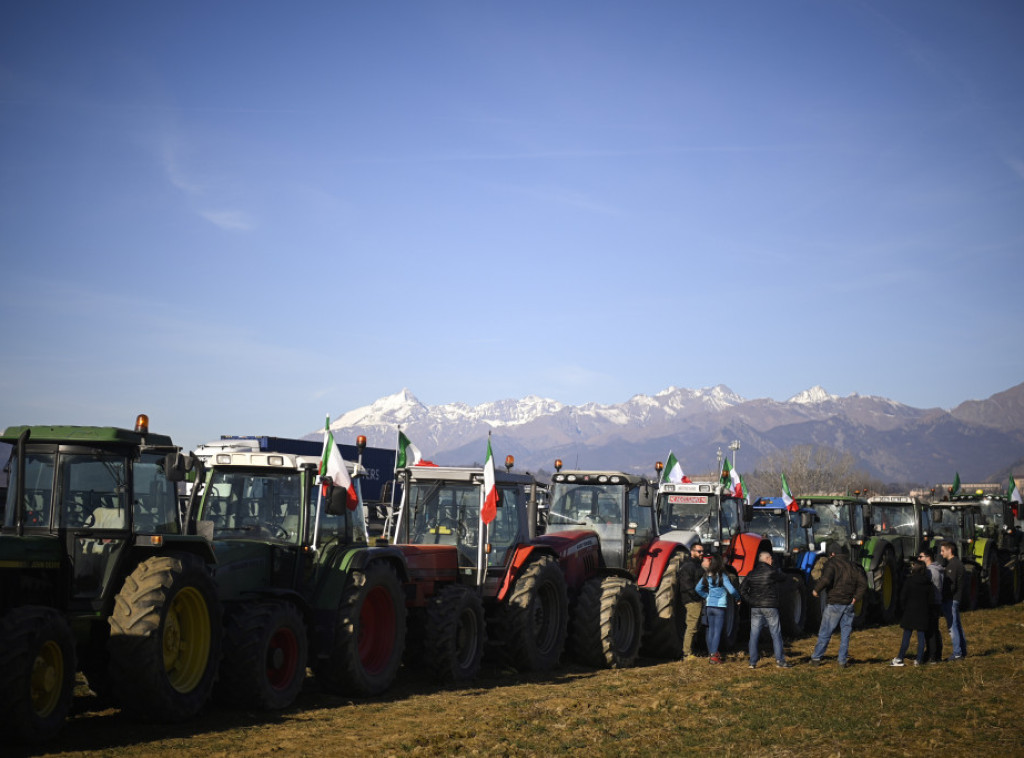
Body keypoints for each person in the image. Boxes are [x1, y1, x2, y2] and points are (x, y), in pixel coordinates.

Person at [810, 541, 867, 668]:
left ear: (832, 554)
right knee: (845, 634)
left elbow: (825, 579)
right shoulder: (853, 565)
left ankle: (816, 658)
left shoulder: (832, 563)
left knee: (825, 631)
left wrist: (816, 590)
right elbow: (863, 583)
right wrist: (856, 598)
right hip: (849, 603)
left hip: (835, 603)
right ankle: (842, 660)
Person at [739, 550, 792, 668]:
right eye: (771, 558)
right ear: (767, 559)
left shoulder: (751, 573)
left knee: (754, 634)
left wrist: (751, 601)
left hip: (755, 607)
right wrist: (777, 568)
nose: (772, 560)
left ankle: (752, 662)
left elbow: (742, 590)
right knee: (775, 633)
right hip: (770, 606)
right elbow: (784, 577)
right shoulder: (772, 572)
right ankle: (780, 660)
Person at [695, 553, 740, 664]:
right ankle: (714, 656)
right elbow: (732, 590)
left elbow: (697, 588)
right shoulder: (722, 575)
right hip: (720, 607)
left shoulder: (707, 575)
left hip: (709, 605)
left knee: (710, 630)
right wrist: (737, 598)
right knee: (717, 631)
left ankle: (711, 653)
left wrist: (707, 596)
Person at [890, 560, 931, 666]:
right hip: (923, 613)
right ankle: (919, 659)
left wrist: (904, 608)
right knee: (921, 637)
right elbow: (930, 599)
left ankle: (900, 657)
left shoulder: (909, 581)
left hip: (910, 612)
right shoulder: (928, 583)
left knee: (906, 636)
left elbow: (903, 597)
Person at [939, 541, 968, 660]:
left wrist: (942, 596)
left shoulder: (953, 565)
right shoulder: (957, 563)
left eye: (942, 551)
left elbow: (951, 586)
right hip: (955, 599)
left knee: (952, 627)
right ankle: (962, 650)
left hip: (951, 599)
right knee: (957, 625)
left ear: (949, 550)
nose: (941, 553)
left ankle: (957, 653)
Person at [679, 542, 706, 661]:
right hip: (692, 600)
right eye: (699, 551)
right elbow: (687, 585)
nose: (701, 554)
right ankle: (687, 653)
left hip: (696, 599)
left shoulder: (697, 566)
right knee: (692, 626)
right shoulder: (689, 566)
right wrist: (696, 596)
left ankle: (692, 650)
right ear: (692, 552)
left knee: (696, 626)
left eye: (702, 552)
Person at [920, 548, 944, 663]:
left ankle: (932, 655)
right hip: (937, 601)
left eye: (921, 557)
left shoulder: (930, 571)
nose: (919, 559)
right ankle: (936, 653)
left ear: (928, 557)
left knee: (931, 631)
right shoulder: (937, 569)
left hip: (932, 602)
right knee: (934, 629)